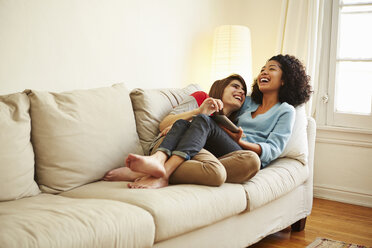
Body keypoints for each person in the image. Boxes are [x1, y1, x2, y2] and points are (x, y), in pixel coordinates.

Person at [121, 54, 312, 189]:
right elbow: (222, 107)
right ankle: (161, 168)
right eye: (262, 68)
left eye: (271, 69)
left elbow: (273, 149)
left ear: (285, 79)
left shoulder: (285, 110)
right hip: (223, 149)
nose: (264, 71)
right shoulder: (248, 102)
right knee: (196, 120)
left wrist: (241, 142)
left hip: (245, 153)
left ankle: (156, 170)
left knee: (248, 159)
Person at [104, 74, 260, 186]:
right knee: (199, 123)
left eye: (243, 91)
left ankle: (147, 172)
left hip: (197, 156)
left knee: (230, 167)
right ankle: (160, 165)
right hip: (171, 144)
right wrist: (198, 111)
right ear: (221, 87)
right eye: (235, 86)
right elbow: (165, 125)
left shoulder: (230, 124)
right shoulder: (202, 97)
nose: (241, 91)